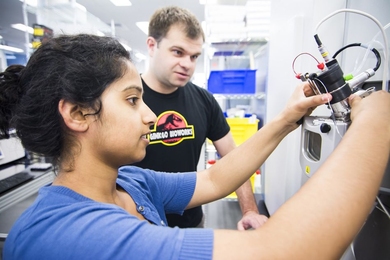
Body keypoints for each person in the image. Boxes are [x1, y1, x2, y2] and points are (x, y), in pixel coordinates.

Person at [1, 34, 389, 260]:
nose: (150, 117)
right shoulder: (69, 234)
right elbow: (282, 251)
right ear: (79, 114)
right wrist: (375, 124)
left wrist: (287, 119)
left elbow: (216, 178)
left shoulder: (129, 183)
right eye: (133, 100)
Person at [134, 5, 267, 229]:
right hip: (136, 226)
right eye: (178, 52)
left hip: (190, 224)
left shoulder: (204, 101)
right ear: (152, 45)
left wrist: (250, 210)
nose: (187, 64)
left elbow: (234, 160)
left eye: (194, 56)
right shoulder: (127, 99)